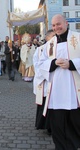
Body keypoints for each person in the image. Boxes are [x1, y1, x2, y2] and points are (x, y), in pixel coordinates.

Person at [38, 14, 80, 150]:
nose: (56, 27)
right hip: (56, 93)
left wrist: (72, 64)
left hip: (74, 92)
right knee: (57, 127)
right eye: (54, 25)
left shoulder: (78, 38)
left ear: (66, 23)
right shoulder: (49, 44)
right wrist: (53, 63)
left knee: (74, 125)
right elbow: (40, 63)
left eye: (59, 24)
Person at [33, 29, 55, 133]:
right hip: (45, 82)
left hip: (56, 83)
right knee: (45, 104)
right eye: (53, 36)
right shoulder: (40, 50)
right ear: (47, 38)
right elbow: (37, 66)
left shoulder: (59, 48)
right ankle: (45, 125)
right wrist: (48, 75)